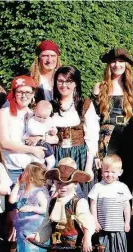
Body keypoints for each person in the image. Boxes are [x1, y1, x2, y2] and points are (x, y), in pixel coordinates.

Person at [93, 47, 133, 189]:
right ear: (109, 65)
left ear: (127, 64)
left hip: (127, 135)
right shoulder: (99, 87)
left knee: (126, 176)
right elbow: (93, 117)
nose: (117, 65)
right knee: (106, 175)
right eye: (114, 61)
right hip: (106, 139)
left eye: (121, 61)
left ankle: (125, 210)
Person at [50, 66, 99, 195]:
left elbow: (92, 136)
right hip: (56, 156)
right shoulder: (50, 106)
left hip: (79, 156)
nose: (64, 85)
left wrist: (88, 165)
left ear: (76, 83)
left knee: (79, 196)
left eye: (69, 81)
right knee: (57, 195)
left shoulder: (84, 104)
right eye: (60, 81)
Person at [33, 164, 96, 252]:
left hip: (73, 250)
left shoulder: (79, 202)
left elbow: (87, 221)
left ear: (75, 184)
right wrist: (36, 237)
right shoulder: (52, 202)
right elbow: (47, 224)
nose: (62, 187)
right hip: (56, 249)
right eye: (59, 183)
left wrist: (87, 238)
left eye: (67, 184)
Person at [0, 75, 52, 183]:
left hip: (34, 169)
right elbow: (4, 143)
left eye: (28, 92)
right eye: (20, 92)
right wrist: (32, 149)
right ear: (14, 93)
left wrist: (41, 138)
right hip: (12, 169)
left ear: (33, 94)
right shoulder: (4, 113)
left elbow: (53, 137)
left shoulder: (36, 114)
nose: (24, 96)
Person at [88, 154, 132, 252]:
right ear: (102, 171)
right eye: (106, 171)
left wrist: (127, 222)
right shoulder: (97, 187)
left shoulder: (122, 187)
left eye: (113, 172)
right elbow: (93, 206)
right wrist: (95, 222)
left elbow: (126, 207)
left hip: (118, 228)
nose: (109, 174)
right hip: (104, 229)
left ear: (120, 172)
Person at [8, 162, 49, 252]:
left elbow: (44, 209)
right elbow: (12, 200)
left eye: (25, 172)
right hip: (22, 229)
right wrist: (17, 184)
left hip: (33, 229)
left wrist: (31, 208)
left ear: (30, 177)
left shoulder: (38, 193)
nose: (22, 173)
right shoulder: (22, 191)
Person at [24, 100, 57, 169]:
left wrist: (53, 131)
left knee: (49, 154)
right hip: (33, 142)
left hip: (44, 142)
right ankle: (38, 165)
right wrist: (43, 134)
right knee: (36, 158)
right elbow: (32, 130)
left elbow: (53, 127)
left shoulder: (49, 120)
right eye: (39, 116)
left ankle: (49, 164)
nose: (41, 119)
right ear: (35, 111)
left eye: (44, 118)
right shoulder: (32, 120)